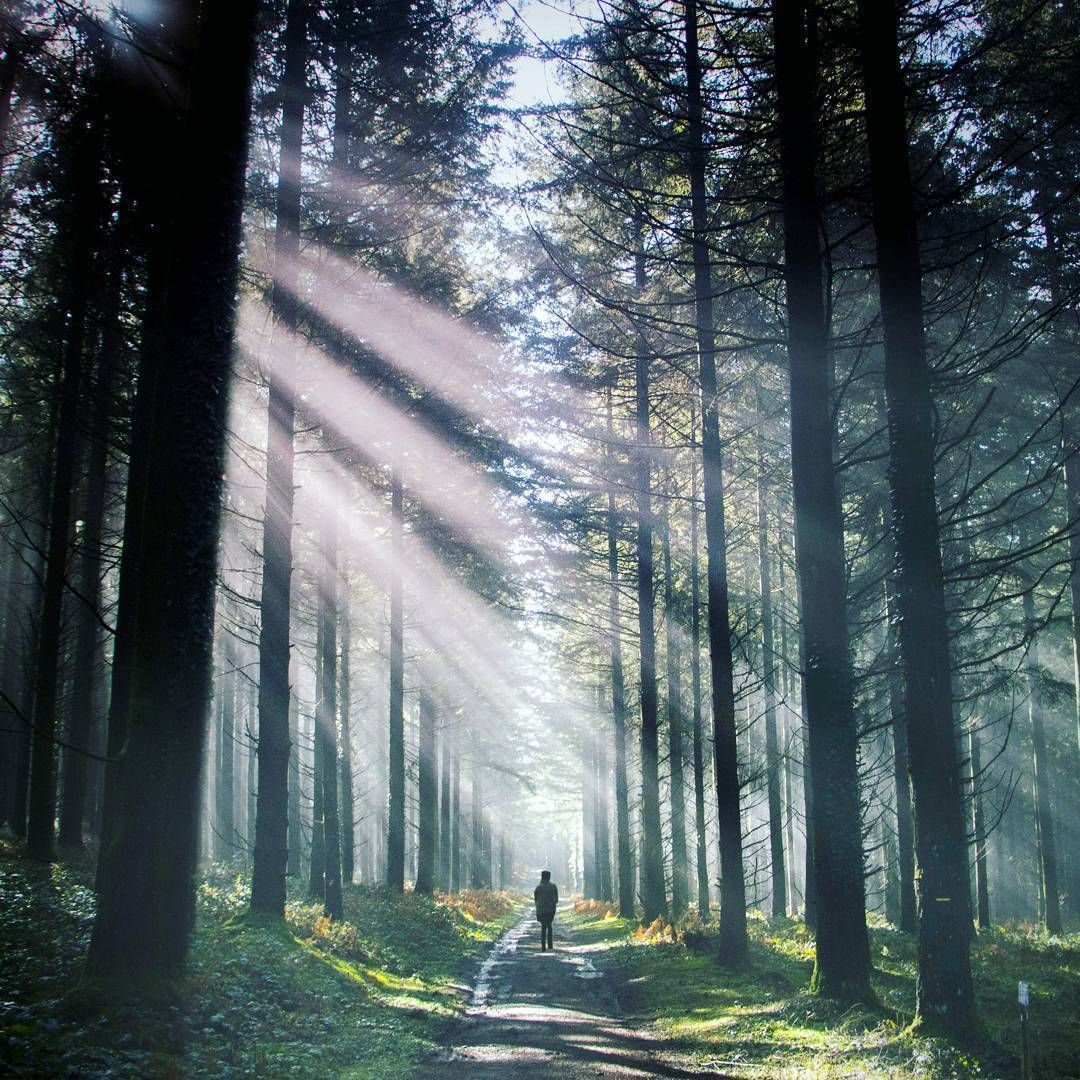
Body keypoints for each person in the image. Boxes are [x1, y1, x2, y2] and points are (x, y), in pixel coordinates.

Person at [534, 870, 558, 951]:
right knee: (549, 926)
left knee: (543, 926)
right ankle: (550, 945)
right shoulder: (553, 886)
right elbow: (556, 899)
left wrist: (539, 906)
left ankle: (543, 946)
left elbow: (536, 899)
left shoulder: (538, 887)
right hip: (551, 910)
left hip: (541, 910)